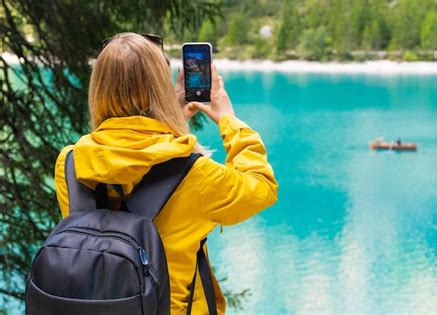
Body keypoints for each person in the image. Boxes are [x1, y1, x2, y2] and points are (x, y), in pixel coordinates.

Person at [53, 32, 278, 314]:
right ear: (160, 87)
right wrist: (229, 121)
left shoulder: (71, 163)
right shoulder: (195, 174)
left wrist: (168, 116)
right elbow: (262, 187)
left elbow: (130, 158)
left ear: (97, 88)